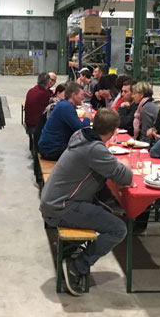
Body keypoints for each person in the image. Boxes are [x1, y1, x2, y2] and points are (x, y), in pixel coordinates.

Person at [40, 108, 133, 296]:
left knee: (108, 212)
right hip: (62, 207)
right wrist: (126, 165)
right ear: (113, 131)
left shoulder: (81, 135)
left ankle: (72, 251)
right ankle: (77, 266)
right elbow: (125, 177)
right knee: (118, 229)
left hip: (54, 200)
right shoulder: (94, 149)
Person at [37, 82, 93, 161]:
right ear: (73, 95)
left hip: (48, 147)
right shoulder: (66, 107)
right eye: (81, 95)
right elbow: (82, 130)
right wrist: (87, 118)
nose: (83, 98)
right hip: (51, 150)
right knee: (87, 150)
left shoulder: (64, 104)